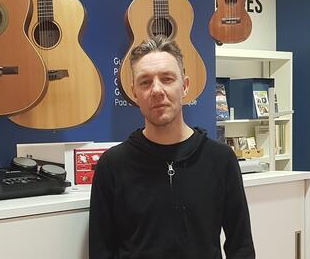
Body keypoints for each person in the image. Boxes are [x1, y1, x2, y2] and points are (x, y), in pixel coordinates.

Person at [89, 35, 255, 258]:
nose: (156, 90)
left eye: (167, 79)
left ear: (184, 86)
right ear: (134, 93)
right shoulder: (112, 165)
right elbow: (101, 251)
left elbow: (241, 246)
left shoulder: (220, 159)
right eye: (145, 82)